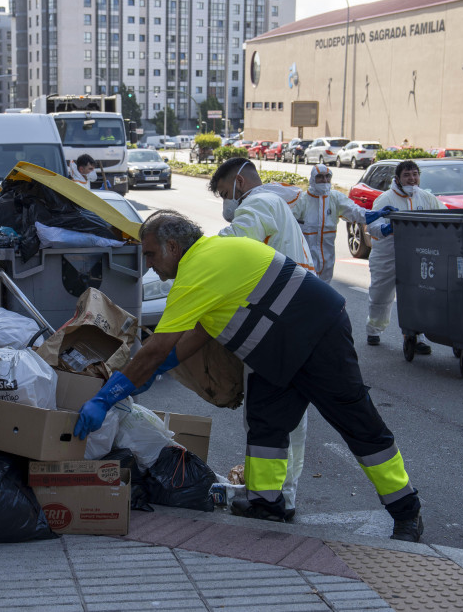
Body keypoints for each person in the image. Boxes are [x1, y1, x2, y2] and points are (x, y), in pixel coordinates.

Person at [73, 210, 425, 542]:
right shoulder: (212, 256)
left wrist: (108, 396)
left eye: (150, 255)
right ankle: (266, 505)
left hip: (317, 336)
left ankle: (406, 512)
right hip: (276, 350)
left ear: (173, 247)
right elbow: (199, 332)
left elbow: (157, 347)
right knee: (266, 426)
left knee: (357, 422)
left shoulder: (198, 268)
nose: (149, 265)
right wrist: (156, 370)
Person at [208, 157, 316, 517]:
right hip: (298, 319)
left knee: (265, 411)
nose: (227, 202)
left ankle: (270, 496)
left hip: (279, 323)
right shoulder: (275, 204)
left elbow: (231, 246)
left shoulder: (258, 203)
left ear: (238, 184)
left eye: (225, 193)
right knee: (290, 416)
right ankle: (279, 493)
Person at [365, 160, 445, 350]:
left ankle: (416, 337)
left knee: (417, 296)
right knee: (381, 295)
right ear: (398, 179)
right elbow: (371, 226)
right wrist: (386, 228)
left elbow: (445, 216)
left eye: (415, 174)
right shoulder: (385, 199)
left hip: (417, 257)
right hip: (387, 255)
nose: (412, 179)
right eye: (407, 175)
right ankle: (374, 330)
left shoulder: (426, 198)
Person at [290, 164, 395, 283]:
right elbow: (288, 224)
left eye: (327, 177)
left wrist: (375, 214)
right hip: (306, 256)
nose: (324, 180)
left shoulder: (335, 198)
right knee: (307, 287)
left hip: (328, 257)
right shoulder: (302, 200)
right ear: (312, 179)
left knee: (325, 289)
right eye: (320, 177)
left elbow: (354, 211)